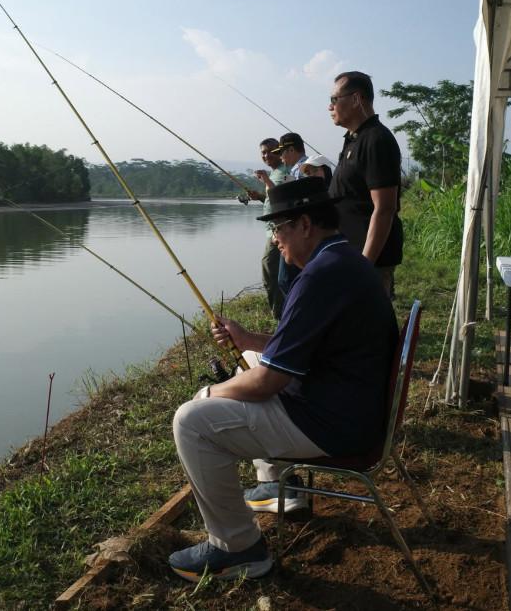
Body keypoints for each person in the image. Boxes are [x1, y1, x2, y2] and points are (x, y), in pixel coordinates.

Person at [168, 177, 398, 581]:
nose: (275, 239)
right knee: (253, 356)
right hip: (347, 403)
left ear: (305, 224)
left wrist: (210, 392)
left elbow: (266, 384)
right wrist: (246, 339)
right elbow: (304, 344)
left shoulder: (319, 277)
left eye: (278, 227)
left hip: (333, 425)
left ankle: (237, 548)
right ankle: (275, 485)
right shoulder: (342, 262)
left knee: (192, 421)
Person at [327, 71, 403, 298]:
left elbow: (385, 208)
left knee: (368, 326)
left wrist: (364, 265)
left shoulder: (376, 140)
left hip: (368, 261)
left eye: (334, 100)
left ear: (356, 99)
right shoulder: (354, 139)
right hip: (348, 253)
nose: (330, 107)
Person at [271, 133, 309, 293]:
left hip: (295, 233)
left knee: (287, 280)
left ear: (291, 149)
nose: (280, 158)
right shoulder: (295, 171)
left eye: (281, 153)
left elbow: (299, 206)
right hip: (294, 231)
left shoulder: (303, 170)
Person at [254, 137, 288, 319]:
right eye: (263, 152)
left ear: (279, 151)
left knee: (270, 269)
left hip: (280, 229)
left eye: (269, 151)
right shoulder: (274, 173)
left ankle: (279, 314)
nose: (266, 155)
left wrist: (266, 180)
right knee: (275, 272)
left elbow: (280, 196)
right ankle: (280, 312)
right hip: (272, 229)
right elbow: (271, 199)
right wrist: (259, 196)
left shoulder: (284, 170)